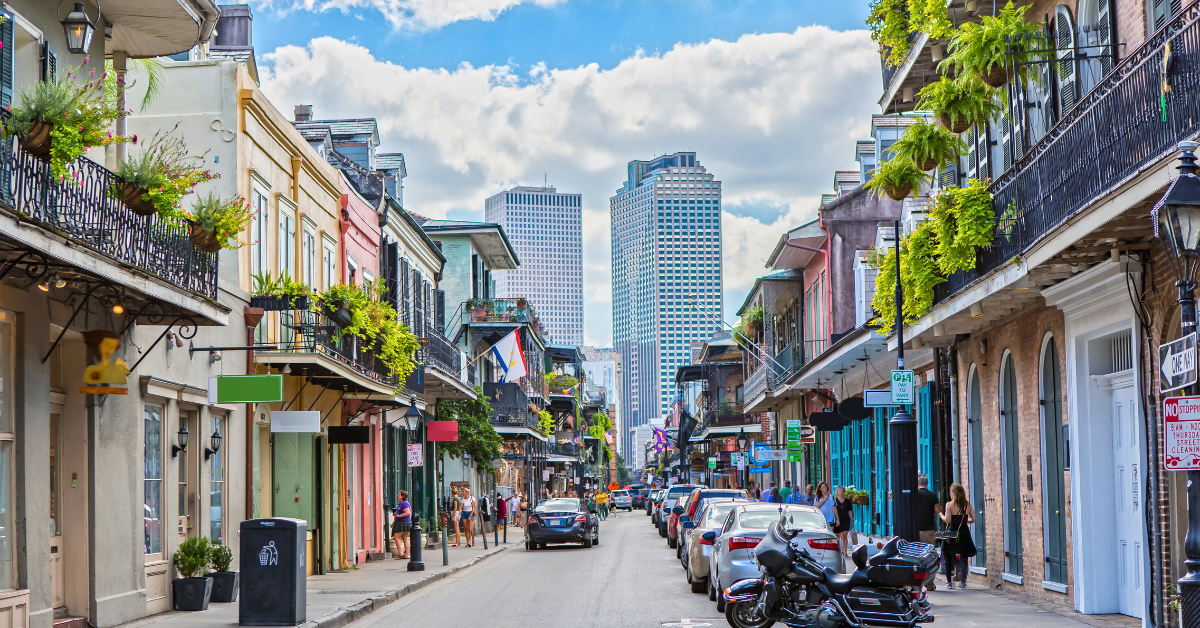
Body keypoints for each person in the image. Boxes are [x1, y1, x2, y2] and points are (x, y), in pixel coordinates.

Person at [940, 484, 977, 589]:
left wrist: (941, 515)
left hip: (952, 533)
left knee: (948, 556)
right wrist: (964, 521)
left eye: (951, 492)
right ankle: (963, 583)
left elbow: (947, 520)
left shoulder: (949, 505)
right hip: (964, 532)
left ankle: (949, 583)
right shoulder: (968, 505)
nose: (950, 494)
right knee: (964, 557)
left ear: (954, 493)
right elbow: (974, 519)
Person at [915, 474, 943, 591]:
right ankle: (929, 584)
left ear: (918, 483)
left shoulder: (914, 494)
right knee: (929, 557)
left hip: (915, 530)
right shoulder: (932, 495)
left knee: (915, 557)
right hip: (928, 530)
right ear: (927, 483)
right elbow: (938, 510)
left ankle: (915, 584)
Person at [832, 486, 853, 556]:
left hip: (846, 520)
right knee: (837, 536)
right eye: (839, 491)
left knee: (845, 535)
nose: (841, 492)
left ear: (844, 492)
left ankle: (845, 552)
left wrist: (852, 521)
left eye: (842, 491)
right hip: (838, 520)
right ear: (837, 492)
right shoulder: (835, 500)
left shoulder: (847, 501)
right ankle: (838, 551)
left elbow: (850, 511)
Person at [391, 490, 411, 559]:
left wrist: (398, 516)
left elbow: (407, 512)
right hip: (404, 521)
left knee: (396, 536)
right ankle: (407, 554)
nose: (397, 495)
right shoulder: (401, 503)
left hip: (403, 521)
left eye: (399, 495)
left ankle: (401, 553)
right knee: (404, 537)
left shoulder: (404, 503)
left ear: (402, 496)